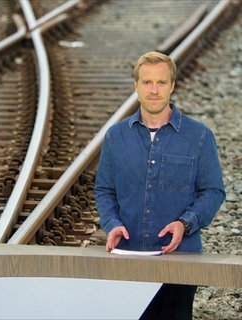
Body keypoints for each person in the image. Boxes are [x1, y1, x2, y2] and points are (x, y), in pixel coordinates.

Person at [94, 51, 225, 319]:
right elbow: (104, 190)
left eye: (161, 83)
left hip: (180, 260)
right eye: (147, 82)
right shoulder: (116, 137)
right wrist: (112, 223)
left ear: (172, 86)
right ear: (136, 86)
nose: (154, 90)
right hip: (128, 259)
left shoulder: (199, 136)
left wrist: (185, 223)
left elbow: (213, 191)